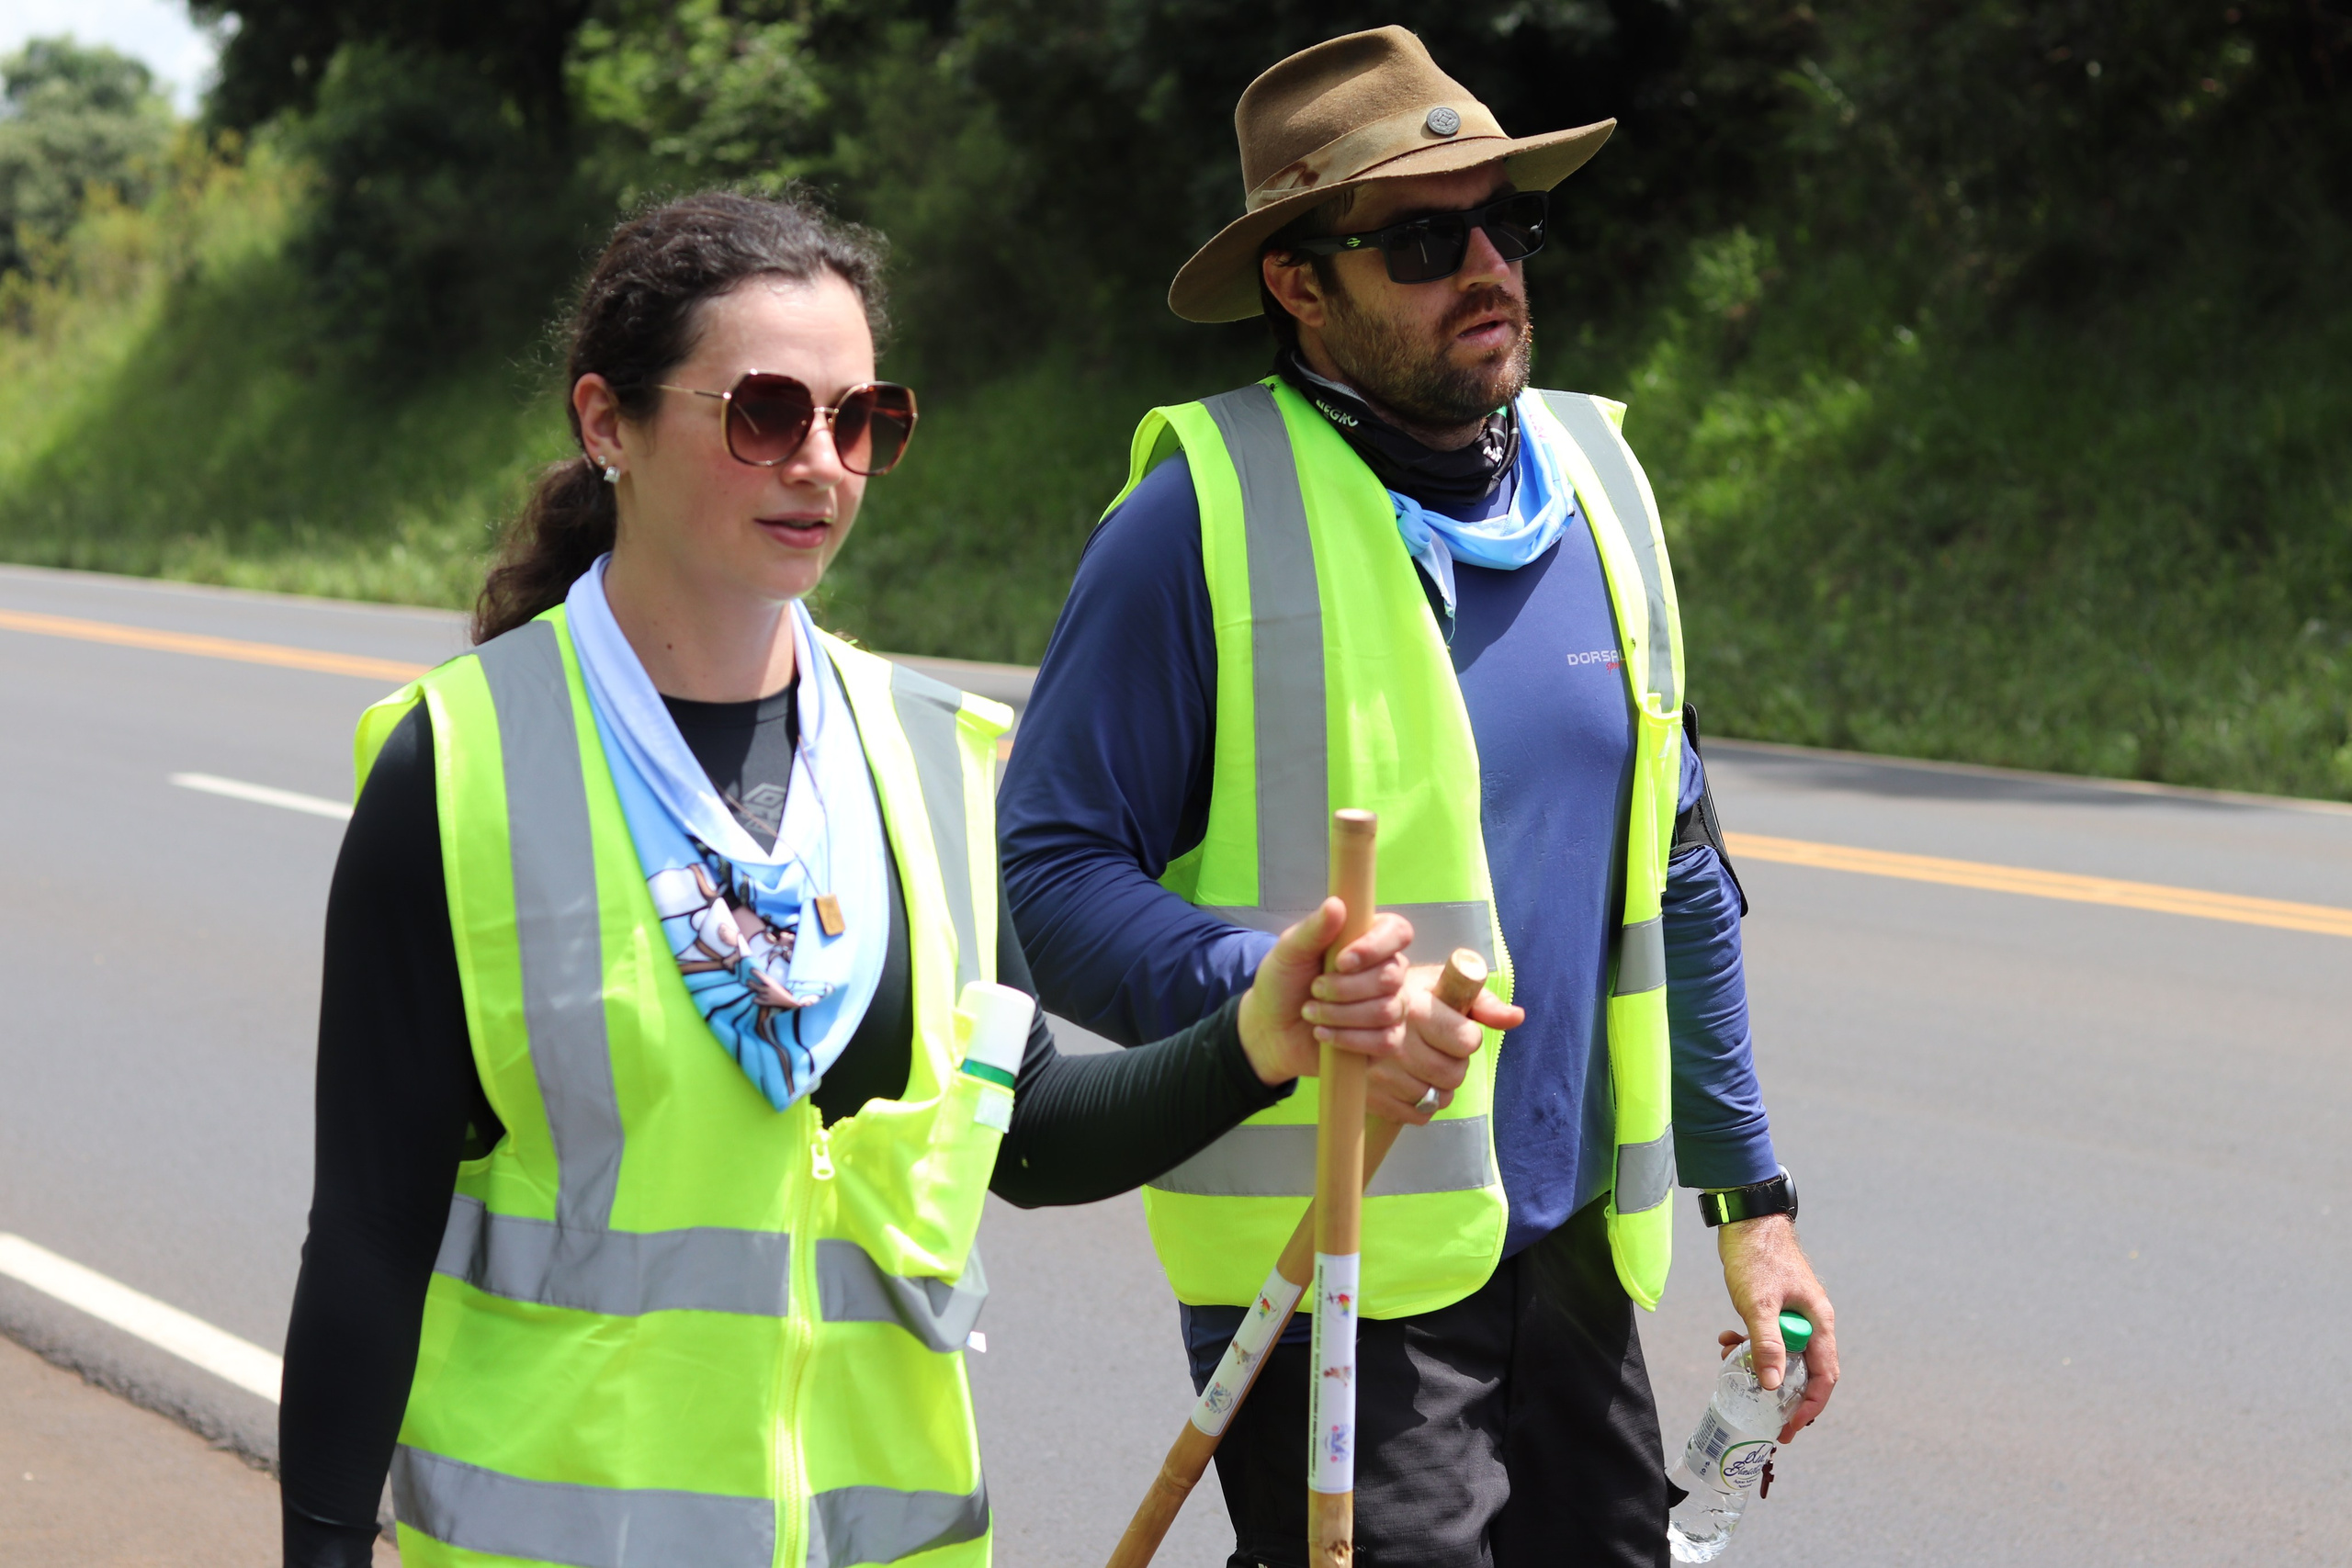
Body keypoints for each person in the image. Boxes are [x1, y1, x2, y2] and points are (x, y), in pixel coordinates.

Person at [275, 189, 1422, 1568]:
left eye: (861, 420)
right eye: (765, 412)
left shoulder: (935, 761)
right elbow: (368, 1234)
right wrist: (325, 1545)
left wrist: (1257, 1040)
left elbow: (1027, 1132)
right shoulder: (457, 766)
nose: (820, 463)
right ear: (606, 423)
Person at [998, 28, 1840, 1567]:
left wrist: (1754, 1204)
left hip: (1571, 1258)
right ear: (1297, 283)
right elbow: (1047, 877)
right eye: (1421, 239)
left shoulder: (1599, 485)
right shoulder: (1198, 517)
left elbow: (1681, 877)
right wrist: (1273, 988)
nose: (1487, 269)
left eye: (1505, 222)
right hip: (1331, 1277)